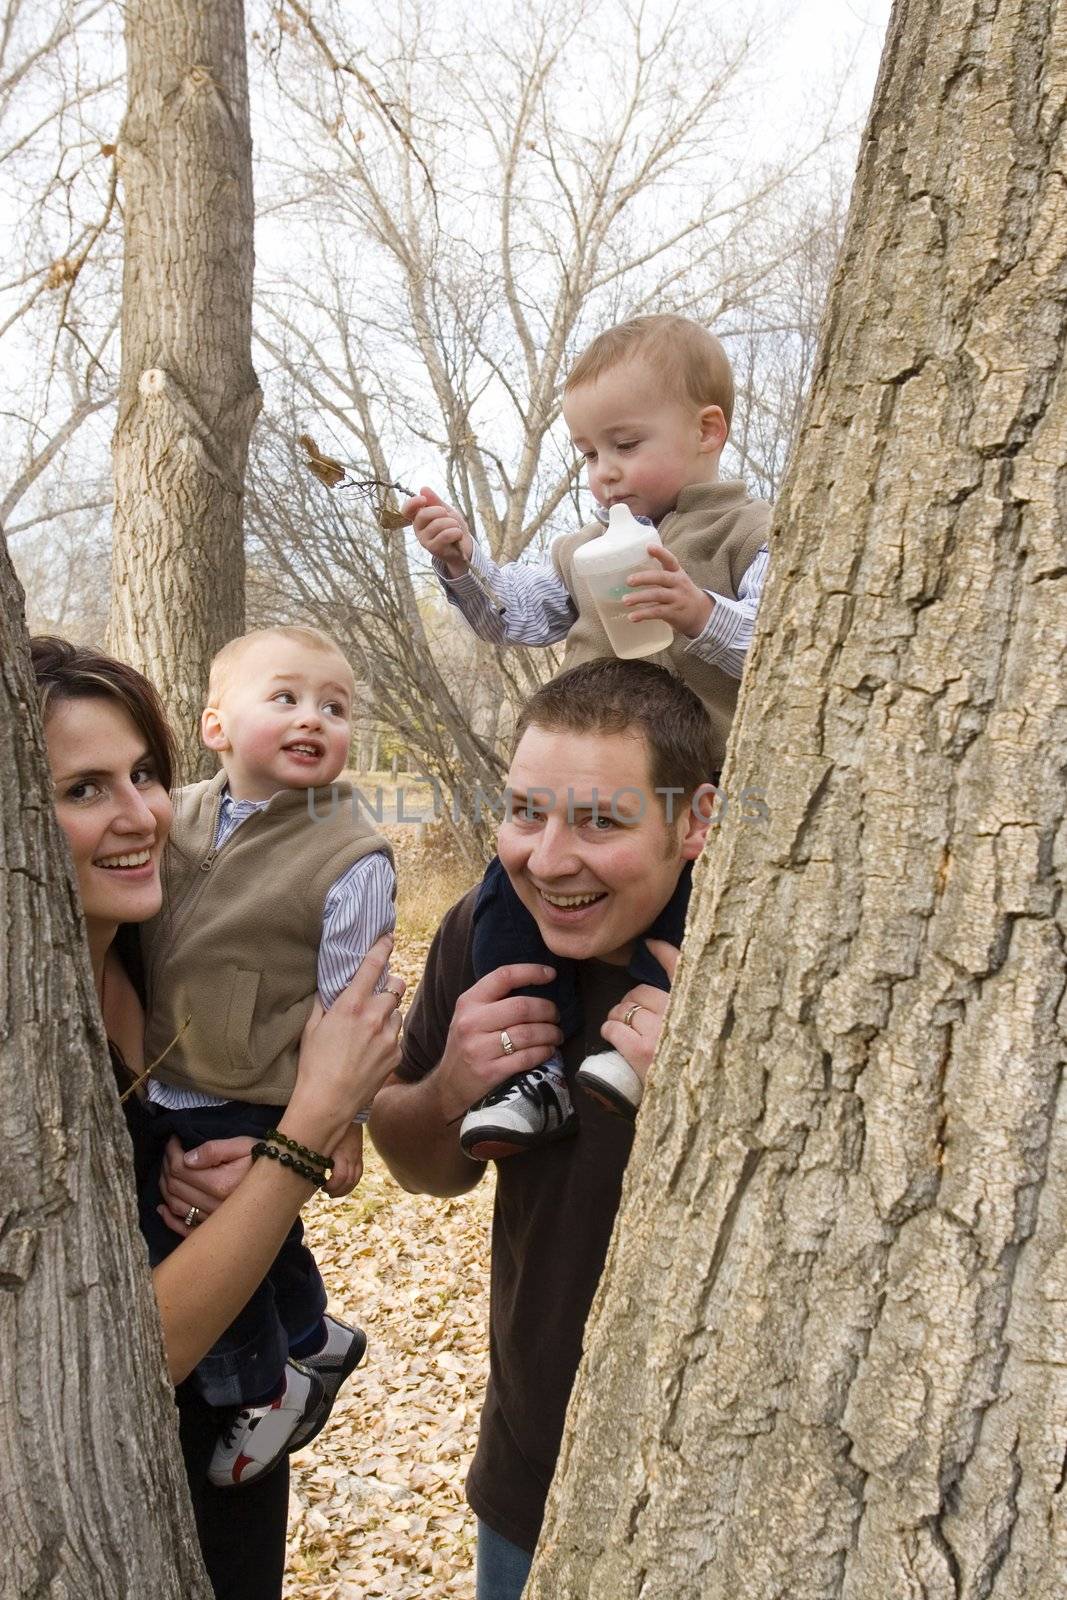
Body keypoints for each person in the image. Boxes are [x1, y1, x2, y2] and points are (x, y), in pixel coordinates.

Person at [32, 635, 404, 1599]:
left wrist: (288, 1144)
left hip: (228, 1470)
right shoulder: (28, 1041)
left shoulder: (147, 971)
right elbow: (136, 1348)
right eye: (82, 789)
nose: (139, 815)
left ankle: (304, 1338)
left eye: (144, 775)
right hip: (97, 1501)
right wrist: (303, 1132)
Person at [368, 659, 717, 1600]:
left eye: (599, 821)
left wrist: (712, 1084)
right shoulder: (483, 934)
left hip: (728, 1480)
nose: (548, 859)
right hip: (535, 1465)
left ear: (695, 822)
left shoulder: (754, 958)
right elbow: (419, 1169)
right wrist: (451, 1082)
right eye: (526, 812)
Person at [403, 313, 768, 1158]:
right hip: (585, 786)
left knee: (685, 920)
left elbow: (785, 647)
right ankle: (526, 1076)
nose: (604, 475)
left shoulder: (744, 532)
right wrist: (464, 566)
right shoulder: (585, 549)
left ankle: (633, 1048)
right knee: (505, 897)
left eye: (624, 446)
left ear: (707, 430)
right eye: (588, 455)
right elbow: (520, 618)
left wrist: (699, 614)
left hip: (690, 804)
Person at [138, 624, 397, 1489]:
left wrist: (340, 1124)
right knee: (226, 1220)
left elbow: (348, 999)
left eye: (335, 707)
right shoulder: (173, 814)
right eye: (284, 698)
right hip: (169, 1062)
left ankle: (266, 1385)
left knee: (202, 1224)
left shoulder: (346, 850)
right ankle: (313, 1334)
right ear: (216, 727)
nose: (312, 718)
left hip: (256, 1082)